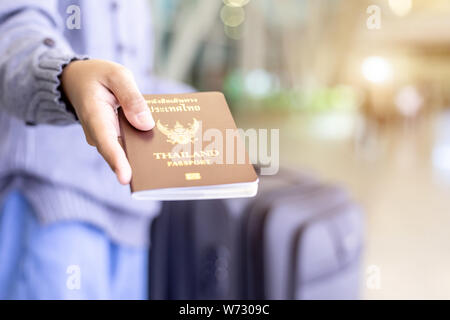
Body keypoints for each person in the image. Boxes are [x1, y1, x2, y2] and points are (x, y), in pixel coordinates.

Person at [0, 0, 191, 299]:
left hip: (132, 219)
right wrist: (67, 76)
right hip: (51, 208)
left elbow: (131, 76)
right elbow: (13, 31)